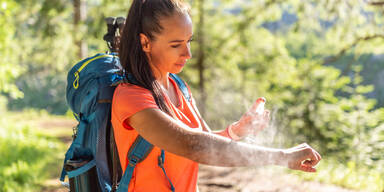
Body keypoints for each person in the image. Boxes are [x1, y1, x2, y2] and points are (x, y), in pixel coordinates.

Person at [111, 0, 322, 191]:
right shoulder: (131, 97)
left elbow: (207, 144)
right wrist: (281, 156)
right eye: (176, 45)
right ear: (145, 43)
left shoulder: (178, 86)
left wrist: (235, 132)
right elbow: (192, 145)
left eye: (189, 41)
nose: (188, 54)